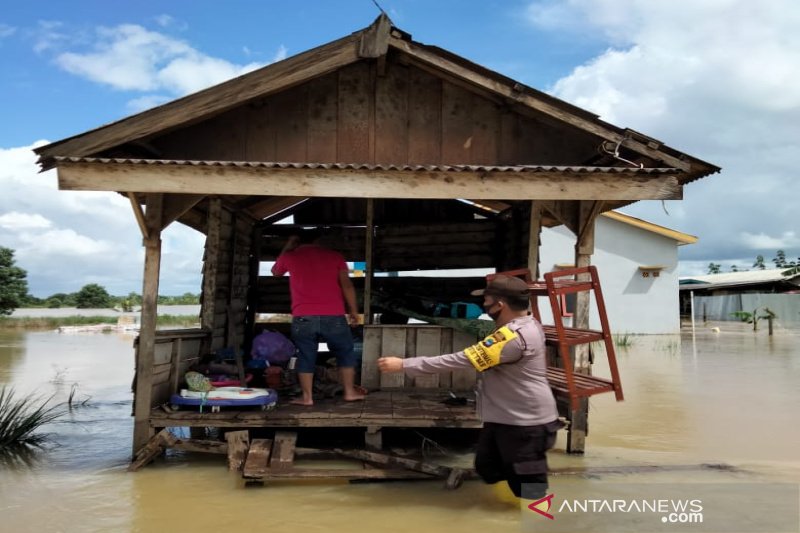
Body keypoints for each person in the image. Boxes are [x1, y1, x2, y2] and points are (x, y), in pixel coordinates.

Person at [378, 275, 561, 499]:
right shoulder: (526, 325)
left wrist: (404, 364)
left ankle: (536, 518)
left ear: (500, 305)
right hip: (505, 418)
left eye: (486, 300)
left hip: (526, 424)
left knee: (530, 488)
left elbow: (461, 360)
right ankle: (508, 508)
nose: (483, 305)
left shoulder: (512, 337)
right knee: (488, 467)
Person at [272, 229, 365, 405]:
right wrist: (353, 311)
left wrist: (287, 246)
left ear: (297, 241)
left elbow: (276, 272)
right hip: (334, 316)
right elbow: (347, 286)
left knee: (306, 356)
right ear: (319, 240)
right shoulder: (335, 256)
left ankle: (307, 398)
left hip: (303, 317)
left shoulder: (290, 256)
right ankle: (349, 392)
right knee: (345, 353)